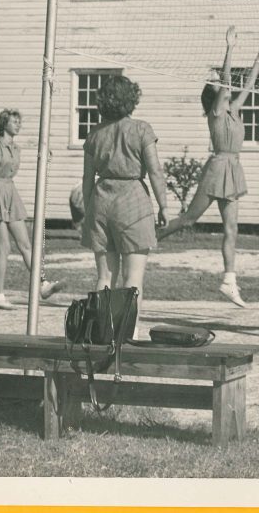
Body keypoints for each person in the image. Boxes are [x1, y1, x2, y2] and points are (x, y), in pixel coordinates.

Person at [158, 26, 259, 308]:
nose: (226, 93)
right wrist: (230, 49)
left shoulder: (233, 109)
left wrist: (258, 56)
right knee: (188, 220)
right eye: (221, 92)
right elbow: (229, 82)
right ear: (215, 98)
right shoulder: (217, 113)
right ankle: (148, 239)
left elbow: (247, 86)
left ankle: (229, 281)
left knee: (231, 229)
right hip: (217, 168)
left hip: (233, 170)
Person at [81, 74, 170, 338]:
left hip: (101, 199)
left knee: (104, 277)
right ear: (131, 98)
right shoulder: (142, 129)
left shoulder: (95, 134)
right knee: (133, 279)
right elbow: (154, 171)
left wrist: (89, 211)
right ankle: (127, 335)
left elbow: (87, 178)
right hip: (132, 200)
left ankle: (101, 331)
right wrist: (164, 205)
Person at [0, 108, 63, 309]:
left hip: (11, 192)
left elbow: (34, 147)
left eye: (19, 122)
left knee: (25, 244)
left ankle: (42, 285)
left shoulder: (16, 148)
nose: (18, 125)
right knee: (4, 248)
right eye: (14, 121)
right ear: (4, 123)